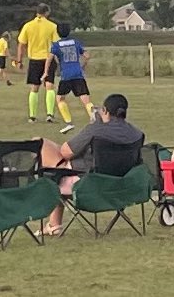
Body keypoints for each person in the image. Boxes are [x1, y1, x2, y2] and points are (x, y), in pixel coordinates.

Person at [37, 93, 144, 236]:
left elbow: (65, 152)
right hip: (121, 186)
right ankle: (54, 224)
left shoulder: (95, 130)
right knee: (57, 166)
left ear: (105, 111)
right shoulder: (137, 134)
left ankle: (53, 223)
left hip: (88, 184)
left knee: (41, 145)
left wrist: (93, 125)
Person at [44, 24, 95, 134]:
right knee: (85, 99)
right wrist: (83, 66)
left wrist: (45, 72)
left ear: (58, 33)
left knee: (60, 99)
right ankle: (93, 118)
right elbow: (87, 55)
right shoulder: (76, 43)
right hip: (78, 74)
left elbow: (49, 59)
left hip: (66, 75)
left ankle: (69, 123)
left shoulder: (56, 45)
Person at [15, 3, 59, 123]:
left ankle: (32, 116)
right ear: (47, 13)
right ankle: (49, 114)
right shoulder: (52, 26)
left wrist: (19, 60)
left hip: (34, 59)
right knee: (49, 86)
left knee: (34, 87)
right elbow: (56, 44)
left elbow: (21, 44)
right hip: (48, 59)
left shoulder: (28, 26)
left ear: (37, 12)